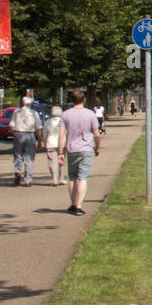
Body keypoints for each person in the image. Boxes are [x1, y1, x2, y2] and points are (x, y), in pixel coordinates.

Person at [60, 88, 100, 216]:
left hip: (71, 149)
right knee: (82, 177)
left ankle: (72, 204)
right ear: (84, 99)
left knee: (72, 177)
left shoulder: (65, 114)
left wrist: (60, 152)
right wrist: (97, 147)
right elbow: (96, 134)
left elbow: (61, 135)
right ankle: (79, 205)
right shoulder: (90, 114)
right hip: (86, 149)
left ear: (71, 100)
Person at [11, 96, 40, 186]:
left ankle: (17, 171)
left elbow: (11, 125)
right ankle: (28, 179)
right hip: (30, 135)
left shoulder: (16, 112)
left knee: (18, 155)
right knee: (29, 157)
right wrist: (39, 140)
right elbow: (38, 128)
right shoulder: (34, 113)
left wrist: (15, 134)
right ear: (31, 104)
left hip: (18, 133)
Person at [42, 105, 66, 187]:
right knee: (61, 161)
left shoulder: (47, 122)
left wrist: (45, 143)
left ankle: (54, 179)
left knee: (52, 162)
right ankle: (61, 178)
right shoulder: (63, 121)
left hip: (50, 143)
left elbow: (45, 135)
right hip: (61, 144)